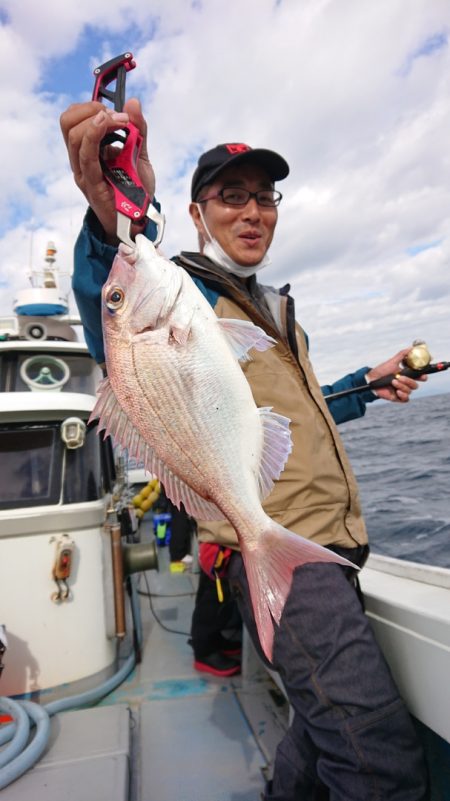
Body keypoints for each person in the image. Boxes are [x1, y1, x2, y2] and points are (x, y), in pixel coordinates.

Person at [60, 99, 428, 801]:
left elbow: (290, 417)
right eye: (232, 196)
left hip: (329, 550)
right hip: (291, 559)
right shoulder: (187, 291)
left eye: (265, 196)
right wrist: (113, 214)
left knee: (319, 741)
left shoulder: (272, 306)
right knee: (377, 763)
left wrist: (368, 384)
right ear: (195, 214)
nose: (253, 211)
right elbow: (106, 296)